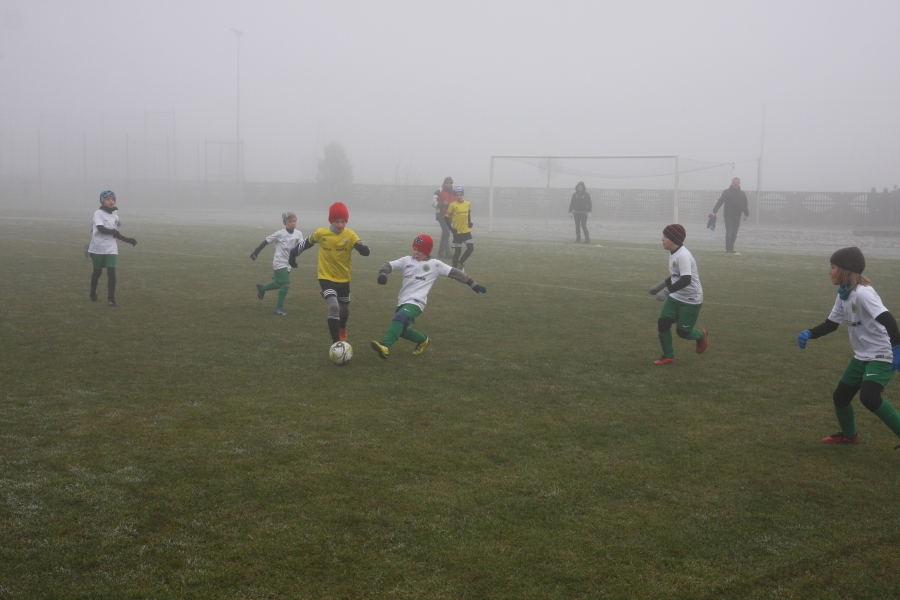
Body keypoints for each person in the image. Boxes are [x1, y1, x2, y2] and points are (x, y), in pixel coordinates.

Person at [796, 247, 900, 448]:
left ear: (844, 269)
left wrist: (897, 349)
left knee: (869, 398)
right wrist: (809, 333)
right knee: (841, 397)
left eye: (832, 267)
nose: (829, 271)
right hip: (862, 356)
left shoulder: (863, 294)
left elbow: (888, 319)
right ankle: (849, 436)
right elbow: (831, 324)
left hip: (882, 355)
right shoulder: (844, 294)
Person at [370, 234, 486, 359]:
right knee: (402, 330)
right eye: (414, 249)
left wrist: (472, 283)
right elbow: (388, 265)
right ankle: (423, 340)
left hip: (417, 302)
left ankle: (385, 346)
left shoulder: (434, 264)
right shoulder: (406, 261)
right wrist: (383, 273)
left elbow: (454, 272)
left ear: (427, 251)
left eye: (420, 250)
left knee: (399, 317)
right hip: (403, 301)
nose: (416, 252)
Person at [290, 202, 370, 344]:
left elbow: (362, 247)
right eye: (336, 221)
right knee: (334, 306)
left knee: (344, 310)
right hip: (325, 277)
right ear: (330, 221)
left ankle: (342, 327)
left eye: (343, 222)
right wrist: (292, 254)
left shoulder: (350, 235)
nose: (340, 225)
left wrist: (363, 249)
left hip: (344, 278)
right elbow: (307, 242)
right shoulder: (322, 233)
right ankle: (336, 344)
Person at [648, 224, 708, 365]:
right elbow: (675, 277)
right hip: (675, 296)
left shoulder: (683, 255)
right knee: (663, 323)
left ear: (674, 238)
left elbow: (686, 280)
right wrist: (658, 287)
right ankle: (668, 356)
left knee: (683, 333)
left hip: (691, 299)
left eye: (665, 237)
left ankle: (701, 335)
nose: (662, 239)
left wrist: (665, 292)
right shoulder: (674, 253)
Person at [87, 190, 137, 307]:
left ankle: (111, 299)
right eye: (108, 199)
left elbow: (116, 228)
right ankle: (93, 291)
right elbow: (101, 229)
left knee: (111, 273)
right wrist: (114, 231)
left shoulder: (115, 214)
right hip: (97, 247)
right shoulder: (98, 213)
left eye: (113, 199)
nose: (111, 201)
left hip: (111, 248)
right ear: (102, 201)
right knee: (97, 273)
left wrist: (127, 240)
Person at [250, 212, 304, 316]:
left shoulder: (298, 234)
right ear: (285, 222)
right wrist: (255, 253)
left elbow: (301, 246)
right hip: (279, 262)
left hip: (288, 263)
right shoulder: (280, 233)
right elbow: (266, 241)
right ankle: (278, 308)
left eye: (294, 221)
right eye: (289, 221)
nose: (292, 223)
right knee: (286, 283)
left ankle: (261, 288)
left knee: (279, 284)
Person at [709, 177, 749, 254]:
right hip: (728, 216)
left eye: (737, 182)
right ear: (732, 183)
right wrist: (714, 211)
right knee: (729, 233)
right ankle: (728, 250)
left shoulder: (742, 193)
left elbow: (745, 205)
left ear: (739, 183)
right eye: (734, 182)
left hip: (737, 216)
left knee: (734, 234)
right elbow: (720, 202)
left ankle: (731, 249)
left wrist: (746, 214)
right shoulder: (726, 192)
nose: (735, 183)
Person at [444, 186, 474, 270]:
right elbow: (446, 217)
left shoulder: (468, 204)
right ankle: (454, 270)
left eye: (460, 195)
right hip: (457, 232)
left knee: (470, 248)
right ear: (454, 196)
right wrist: (451, 229)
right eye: (457, 195)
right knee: (457, 252)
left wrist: (469, 222)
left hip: (466, 231)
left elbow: (468, 214)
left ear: (463, 195)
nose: (459, 197)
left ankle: (460, 262)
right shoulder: (452, 205)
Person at [432, 177, 455, 258]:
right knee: (447, 232)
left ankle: (440, 252)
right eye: (447, 182)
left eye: (450, 182)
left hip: (450, 216)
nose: (449, 184)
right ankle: (447, 251)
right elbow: (433, 203)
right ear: (444, 183)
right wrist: (443, 204)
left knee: (444, 234)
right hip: (441, 215)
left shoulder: (454, 192)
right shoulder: (438, 191)